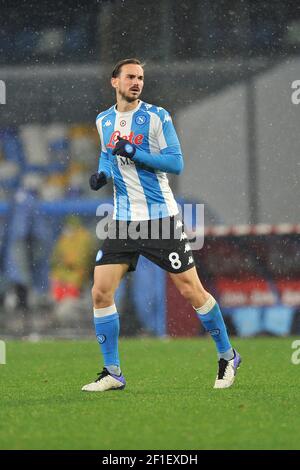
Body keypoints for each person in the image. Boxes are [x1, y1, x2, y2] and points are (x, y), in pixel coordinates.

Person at [82, 58, 241, 392]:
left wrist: (136, 153)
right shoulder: (103, 119)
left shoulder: (157, 117)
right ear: (115, 81)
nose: (137, 82)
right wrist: (102, 174)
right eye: (130, 77)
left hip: (160, 220)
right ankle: (112, 371)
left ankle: (228, 356)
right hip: (123, 221)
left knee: (190, 290)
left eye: (140, 78)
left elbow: (176, 163)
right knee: (100, 292)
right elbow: (108, 155)